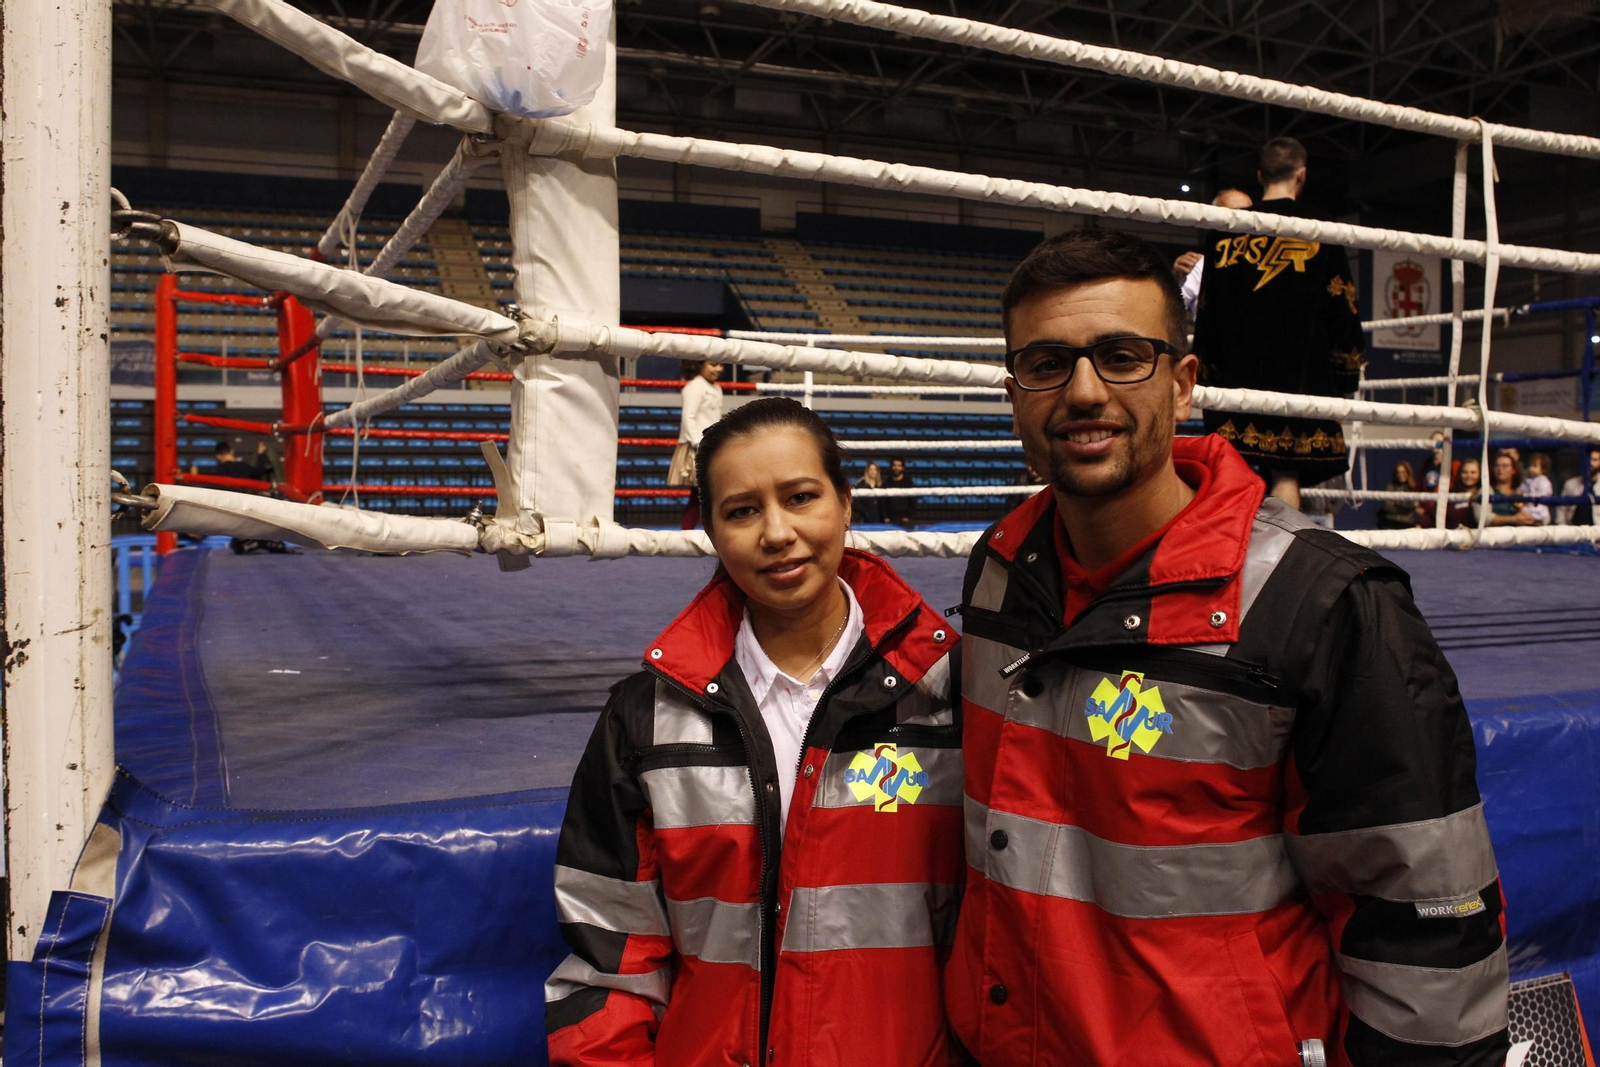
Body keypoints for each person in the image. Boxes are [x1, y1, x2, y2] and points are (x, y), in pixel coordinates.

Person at [945, 229, 1508, 1067]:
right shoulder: (999, 570)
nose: (1085, 390)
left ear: (1182, 384)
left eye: (1123, 356)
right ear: (1015, 392)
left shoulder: (1320, 602)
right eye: (1047, 363)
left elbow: (1424, 916)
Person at [545, 398, 963, 1066]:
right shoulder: (646, 717)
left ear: (846, 503)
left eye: (800, 497)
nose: (776, 531)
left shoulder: (954, 695)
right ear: (710, 529)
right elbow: (610, 964)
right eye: (742, 510)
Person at [1192, 136, 1365, 511]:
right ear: (1301, 175)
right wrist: (1346, 373)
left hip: (1236, 373)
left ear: (1259, 175)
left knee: (1229, 474)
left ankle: (1227, 561)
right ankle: (1284, 565)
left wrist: (1204, 375)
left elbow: (1207, 311)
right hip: (1298, 374)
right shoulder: (1321, 230)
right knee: (1286, 473)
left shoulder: (1224, 232)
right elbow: (1342, 305)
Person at [1173, 188, 1254, 318]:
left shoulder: (1271, 260)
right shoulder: (1200, 265)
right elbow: (1173, 307)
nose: (1239, 220)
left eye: (1246, 213)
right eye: (1232, 214)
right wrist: (1176, 280)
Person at [667, 360, 724, 529]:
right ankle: (689, 532)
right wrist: (697, 442)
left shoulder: (716, 388)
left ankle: (694, 532)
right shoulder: (695, 387)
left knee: (704, 493)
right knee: (702, 492)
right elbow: (688, 417)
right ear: (700, 365)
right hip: (697, 445)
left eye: (721, 364)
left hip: (711, 444)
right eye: (713, 364)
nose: (718, 369)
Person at [1557, 447, 1600, 525]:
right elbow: (1561, 510)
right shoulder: (1570, 484)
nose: (1590, 463)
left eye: (1595, 460)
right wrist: (1564, 531)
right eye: (1588, 459)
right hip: (1573, 531)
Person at [1375, 460, 1417, 529]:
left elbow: (1413, 505)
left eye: (1403, 472)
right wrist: (1406, 508)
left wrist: (1396, 503)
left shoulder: (1413, 487)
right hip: (1390, 521)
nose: (1400, 475)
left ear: (1408, 473)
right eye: (1398, 472)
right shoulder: (1390, 486)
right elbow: (1387, 506)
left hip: (1407, 523)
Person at [1517, 452, 1554, 525]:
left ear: (1543, 469)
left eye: (1534, 466)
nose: (1531, 468)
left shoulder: (1544, 481)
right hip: (1527, 508)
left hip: (1539, 509)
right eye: (1530, 465)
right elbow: (1520, 492)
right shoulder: (1527, 481)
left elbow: (1543, 495)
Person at [881, 456, 917, 529]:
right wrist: (885, 517)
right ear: (891, 467)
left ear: (903, 468)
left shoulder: (908, 483)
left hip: (905, 520)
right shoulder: (886, 483)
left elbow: (913, 501)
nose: (896, 468)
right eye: (894, 465)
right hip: (890, 520)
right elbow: (882, 502)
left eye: (899, 466)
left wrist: (908, 516)